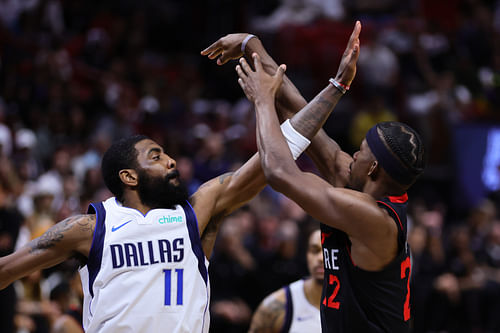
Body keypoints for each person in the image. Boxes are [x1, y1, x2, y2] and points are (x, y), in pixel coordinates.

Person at [0, 24, 361, 333]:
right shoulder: (89, 228)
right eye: (156, 157)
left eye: (168, 154)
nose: (171, 161)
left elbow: (272, 157)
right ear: (129, 176)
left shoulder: (198, 210)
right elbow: (7, 269)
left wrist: (335, 87)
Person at [235, 21, 426, 332]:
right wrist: (252, 46)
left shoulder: (374, 219)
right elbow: (301, 113)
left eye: (361, 151)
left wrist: (262, 102)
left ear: (374, 169)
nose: (351, 154)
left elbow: (279, 171)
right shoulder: (358, 183)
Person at [248, 227, 323, 333]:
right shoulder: (276, 305)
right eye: (315, 251)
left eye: (327, 251)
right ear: (306, 254)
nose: (321, 258)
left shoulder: (353, 300)